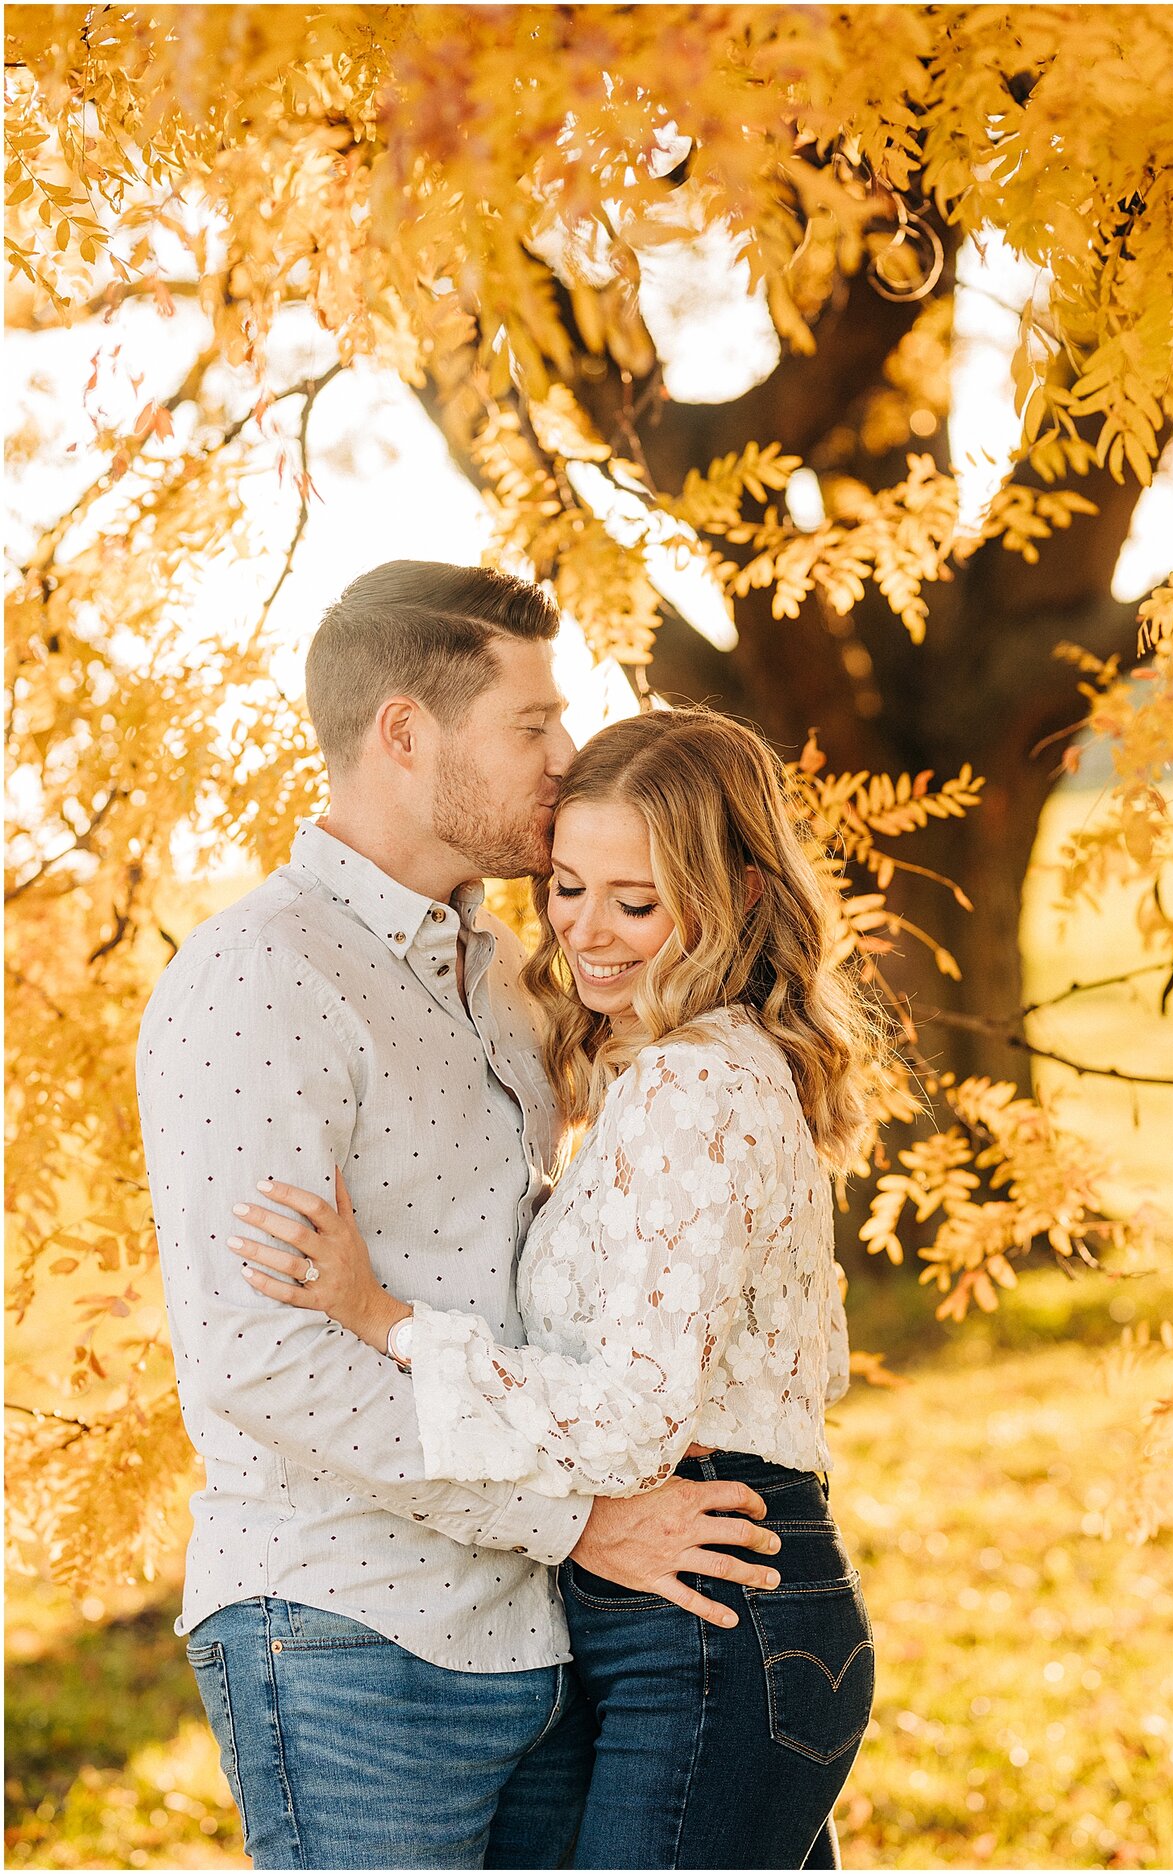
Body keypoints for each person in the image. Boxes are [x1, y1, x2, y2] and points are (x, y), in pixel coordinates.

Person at [138, 563, 784, 1869]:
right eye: (532, 723)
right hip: (348, 1634)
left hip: (539, 1634)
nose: (566, 754)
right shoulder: (261, 979)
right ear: (404, 732)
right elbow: (264, 1363)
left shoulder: (499, 973)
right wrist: (580, 1520)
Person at [229, 705, 887, 1868]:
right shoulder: (676, 1070)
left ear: (737, 893)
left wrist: (385, 1319)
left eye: (635, 901)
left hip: (711, 1605)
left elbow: (633, 1416)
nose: (588, 931)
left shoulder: (694, 1083)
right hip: (700, 1608)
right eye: (568, 886)